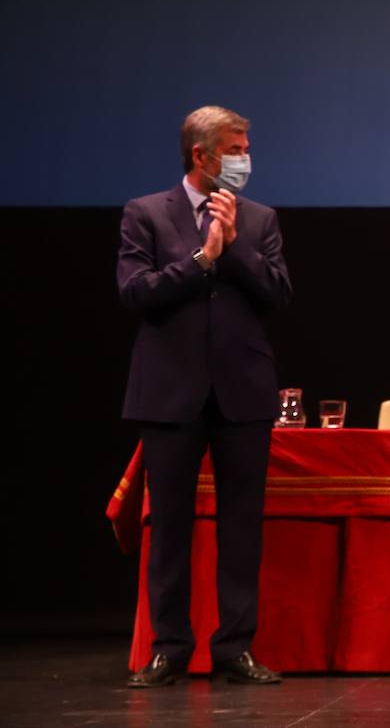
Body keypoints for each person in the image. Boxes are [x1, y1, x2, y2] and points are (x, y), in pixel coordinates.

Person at [118, 105, 292, 688]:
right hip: (170, 392)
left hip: (242, 393)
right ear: (202, 155)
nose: (245, 159)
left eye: (246, 148)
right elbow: (137, 293)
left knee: (242, 525)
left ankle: (234, 648)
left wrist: (235, 246)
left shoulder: (260, 219)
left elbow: (277, 294)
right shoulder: (145, 214)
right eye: (236, 149)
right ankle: (169, 648)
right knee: (169, 526)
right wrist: (202, 260)